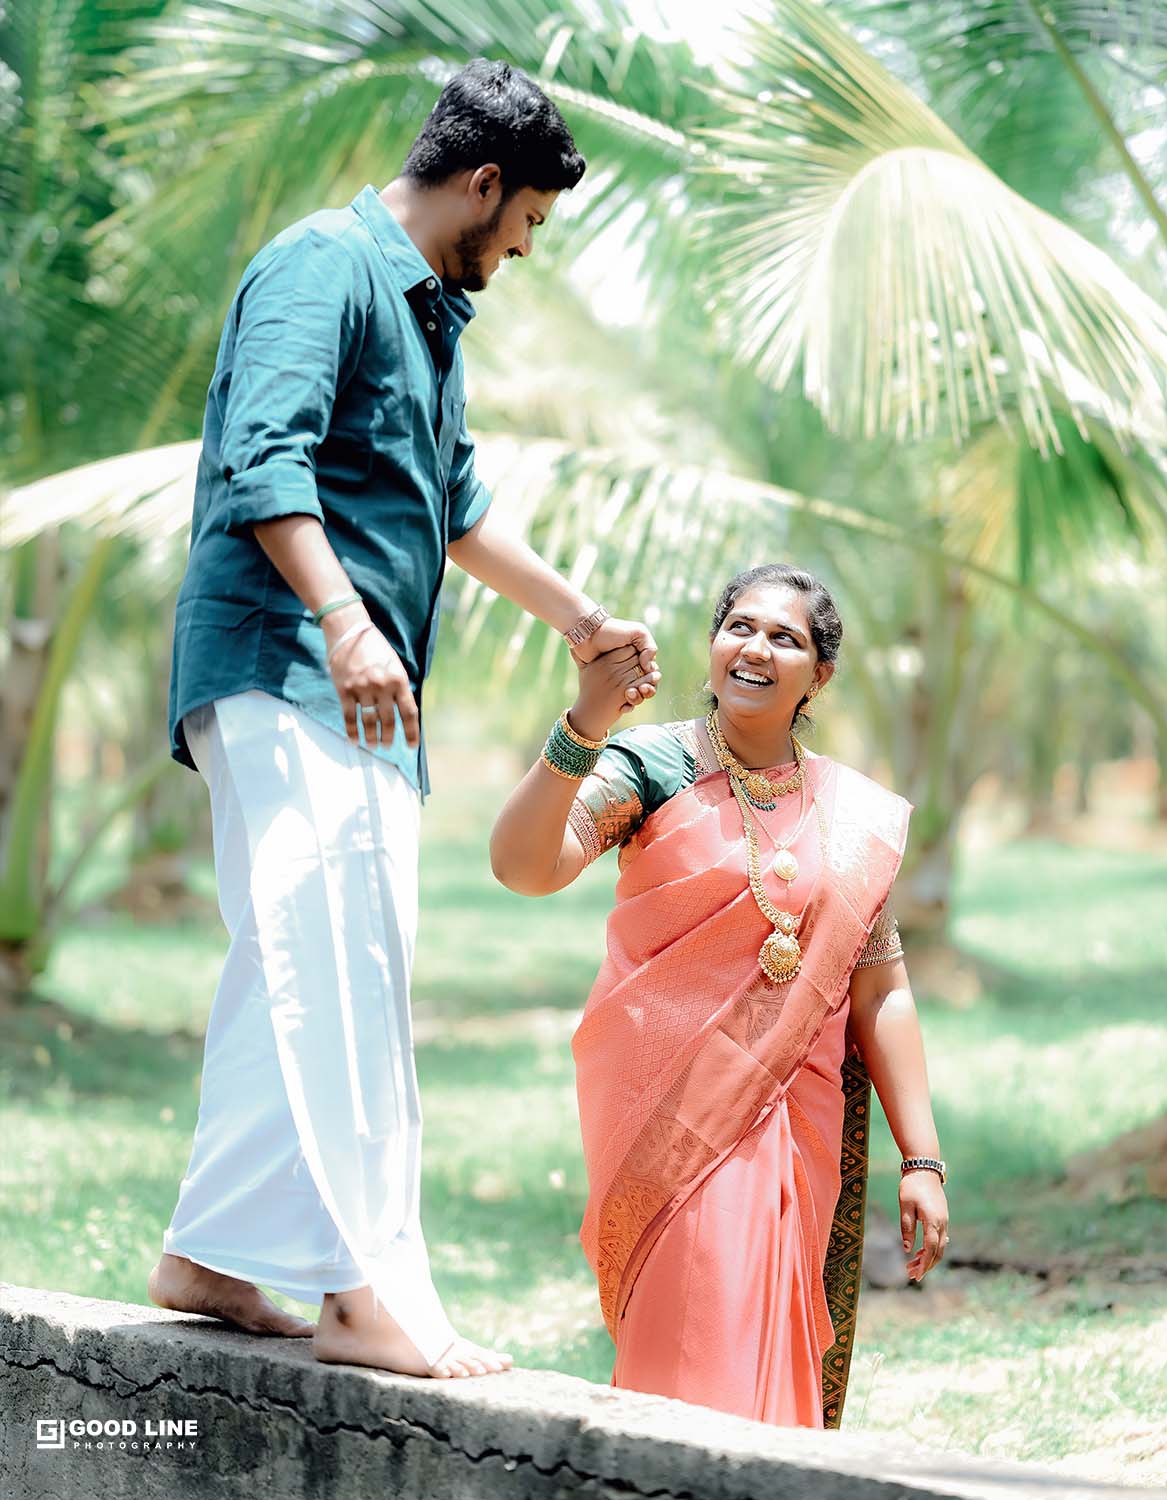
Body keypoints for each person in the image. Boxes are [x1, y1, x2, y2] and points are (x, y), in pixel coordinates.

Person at [148, 59, 661, 1382]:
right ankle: (359, 1289)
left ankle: (209, 1253)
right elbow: (263, 453)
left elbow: (461, 506)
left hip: (356, 689)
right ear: (483, 184)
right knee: (340, 974)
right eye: (530, 222)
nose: (527, 248)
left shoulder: (431, 317)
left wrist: (579, 619)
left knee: (299, 960)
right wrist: (339, 616)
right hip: (286, 662)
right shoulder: (322, 266)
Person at [490, 564, 949, 1425]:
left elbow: (880, 986)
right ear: (712, 645)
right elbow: (525, 867)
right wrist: (584, 722)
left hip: (794, 1121)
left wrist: (921, 1158)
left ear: (821, 675)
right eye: (739, 626)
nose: (757, 647)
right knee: (692, 1328)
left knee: (766, 1337)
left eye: (787, 638)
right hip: (669, 1111)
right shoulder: (652, 764)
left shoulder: (850, 815)